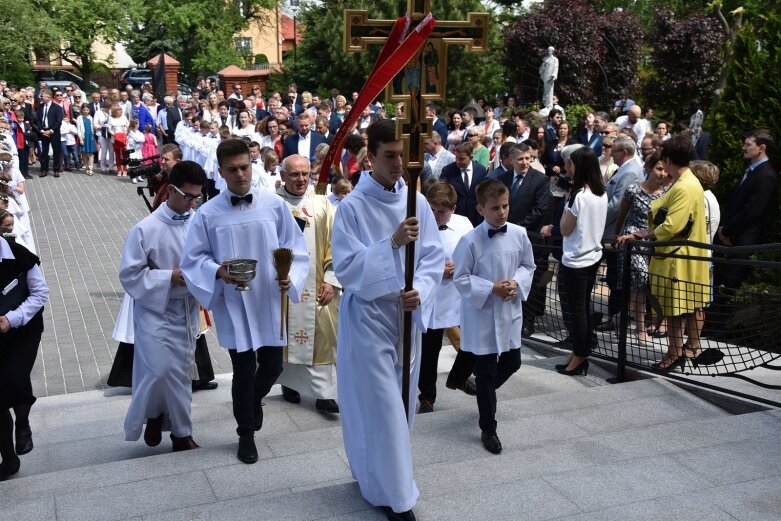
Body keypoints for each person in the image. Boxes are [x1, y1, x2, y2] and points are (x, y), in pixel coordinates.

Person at [331, 119, 444, 521]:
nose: (399, 164)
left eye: (403, 156)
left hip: (405, 317)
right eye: (390, 156)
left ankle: (380, 478)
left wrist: (422, 290)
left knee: (401, 403)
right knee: (382, 406)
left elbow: (431, 255)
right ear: (370, 157)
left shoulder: (418, 200)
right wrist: (392, 243)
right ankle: (400, 499)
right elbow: (346, 269)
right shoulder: (352, 207)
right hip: (369, 318)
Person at [180, 139, 309, 464]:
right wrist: (217, 271)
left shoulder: (274, 205)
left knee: (272, 365)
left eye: (245, 167)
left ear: (252, 164)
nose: (240, 174)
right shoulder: (208, 214)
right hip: (235, 301)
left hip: (267, 298)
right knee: (242, 369)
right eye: (233, 169)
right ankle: (245, 434)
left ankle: (253, 402)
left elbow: (295, 247)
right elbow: (193, 259)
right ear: (221, 172)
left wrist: (289, 276)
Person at [119, 161, 207, 452]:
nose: (193, 203)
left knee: (180, 372)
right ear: (170, 190)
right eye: (188, 196)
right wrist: (169, 277)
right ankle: (153, 414)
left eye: (198, 197)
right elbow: (130, 275)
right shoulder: (145, 229)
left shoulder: (200, 222)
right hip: (155, 310)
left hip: (186, 309)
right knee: (157, 369)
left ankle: (181, 433)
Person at [452, 178, 535, 456]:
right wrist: (491, 288)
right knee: (486, 370)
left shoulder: (520, 234)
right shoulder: (470, 240)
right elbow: (461, 278)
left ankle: (484, 391)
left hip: (509, 311)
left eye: (505, 206)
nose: (501, 212)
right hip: (483, 314)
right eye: (495, 207)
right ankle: (489, 427)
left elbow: (528, 265)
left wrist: (516, 283)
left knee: (513, 362)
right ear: (480, 209)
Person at [624, 135, 709, 372]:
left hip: (677, 258)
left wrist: (646, 234)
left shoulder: (685, 186)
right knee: (686, 307)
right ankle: (687, 349)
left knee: (674, 309)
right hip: (681, 256)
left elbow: (672, 225)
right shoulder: (687, 182)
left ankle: (674, 355)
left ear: (669, 160)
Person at [275, 154, 340, 414]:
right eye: (294, 174)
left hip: (317, 285)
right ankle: (289, 383)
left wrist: (331, 281)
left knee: (323, 333)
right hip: (282, 287)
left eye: (305, 173)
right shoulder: (271, 204)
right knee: (285, 335)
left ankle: (324, 394)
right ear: (282, 176)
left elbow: (337, 244)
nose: (301, 179)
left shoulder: (323, 205)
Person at [417, 181, 473, 414]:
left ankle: (459, 377)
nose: (436, 215)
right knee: (429, 351)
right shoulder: (417, 226)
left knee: (471, 344)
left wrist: (459, 269)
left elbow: (474, 255)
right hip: (431, 298)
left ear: (453, 208)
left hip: (459, 297)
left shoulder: (464, 224)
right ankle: (427, 396)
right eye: (432, 209)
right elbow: (407, 262)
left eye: (442, 211)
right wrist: (438, 271)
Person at [0, 234, 49, 481]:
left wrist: (11, 319)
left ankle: (22, 423)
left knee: (12, 379)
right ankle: (9, 459)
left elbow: (40, 295)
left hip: (24, 331)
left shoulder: (20, 255)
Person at [557, 148, 607, 376]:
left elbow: (564, 228)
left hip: (576, 260)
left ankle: (579, 355)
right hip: (593, 257)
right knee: (582, 309)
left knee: (577, 311)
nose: (569, 168)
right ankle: (578, 353)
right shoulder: (601, 192)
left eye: (572, 164)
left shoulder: (579, 195)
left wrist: (567, 203)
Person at [614, 152, 667, 343]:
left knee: (641, 286)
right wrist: (616, 235)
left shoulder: (667, 194)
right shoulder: (633, 190)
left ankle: (623, 320)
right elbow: (622, 215)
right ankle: (640, 328)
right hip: (631, 240)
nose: (662, 174)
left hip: (652, 241)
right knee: (638, 282)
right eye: (658, 169)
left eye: (665, 170)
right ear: (649, 168)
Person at [716, 129, 779, 289]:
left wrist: (727, 230)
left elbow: (751, 210)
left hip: (744, 240)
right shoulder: (751, 170)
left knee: (732, 283)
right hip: (732, 239)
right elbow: (735, 203)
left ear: (761, 148)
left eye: (748, 144)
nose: (743, 148)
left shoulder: (766, 176)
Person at [497, 144, 549, 337]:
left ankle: (527, 321)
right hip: (503, 237)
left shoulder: (540, 180)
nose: (525, 162)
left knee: (528, 281)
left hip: (528, 238)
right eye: (521, 159)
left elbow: (539, 209)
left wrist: (516, 227)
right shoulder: (502, 179)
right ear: (511, 159)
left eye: (528, 158)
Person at [595, 135, 643, 333]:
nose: (610, 154)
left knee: (616, 279)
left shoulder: (630, 172)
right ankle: (614, 317)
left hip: (616, 233)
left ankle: (616, 319)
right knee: (614, 278)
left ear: (624, 152)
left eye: (614, 151)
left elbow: (617, 205)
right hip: (611, 232)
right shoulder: (625, 170)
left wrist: (595, 220)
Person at [440, 142, 488, 226]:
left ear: (471, 157)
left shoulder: (481, 170)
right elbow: (442, 191)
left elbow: (485, 192)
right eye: (456, 157)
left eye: (461, 158)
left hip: (476, 216)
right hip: (456, 216)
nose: (457, 161)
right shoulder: (448, 171)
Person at [36, 89, 64, 177]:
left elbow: (58, 121)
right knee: (44, 151)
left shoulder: (57, 107)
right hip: (43, 131)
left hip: (54, 132)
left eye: (42, 96)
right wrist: (41, 130)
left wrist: (51, 131)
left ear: (48, 97)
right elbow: (38, 120)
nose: (41, 98)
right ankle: (44, 169)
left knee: (56, 151)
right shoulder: (40, 107)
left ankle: (56, 169)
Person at [76, 103, 96, 176]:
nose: (86, 111)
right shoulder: (79, 118)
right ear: (82, 110)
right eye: (84, 110)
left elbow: (92, 128)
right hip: (83, 137)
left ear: (89, 110)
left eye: (87, 110)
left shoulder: (90, 117)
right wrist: (80, 139)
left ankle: (91, 168)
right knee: (84, 153)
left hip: (90, 136)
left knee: (91, 153)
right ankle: (87, 167)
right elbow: (78, 129)